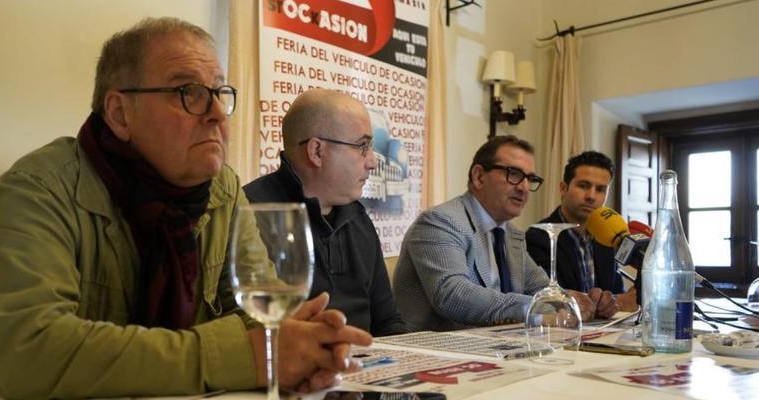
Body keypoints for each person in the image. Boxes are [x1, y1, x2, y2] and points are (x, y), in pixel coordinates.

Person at [0, 17, 371, 400]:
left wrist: (304, 347)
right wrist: (246, 356)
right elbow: (31, 352)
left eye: (220, 93)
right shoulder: (39, 186)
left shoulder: (223, 190)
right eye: (189, 93)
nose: (218, 113)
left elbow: (257, 315)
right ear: (120, 113)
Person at [394, 136, 617, 331]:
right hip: (437, 356)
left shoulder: (511, 235)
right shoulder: (440, 221)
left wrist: (580, 301)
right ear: (479, 176)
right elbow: (452, 295)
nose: (523, 187)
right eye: (513, 174)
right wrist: (537, 308)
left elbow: (541, 288)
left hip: (496, 352)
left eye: (530, 179)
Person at [244, 89, 406, 337]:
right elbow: (254, 330)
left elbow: (388, 320)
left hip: (368, 367)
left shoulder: (359, 217)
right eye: (362, 147)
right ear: (317, 151)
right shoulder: (251, 215)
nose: (372, 162)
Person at [526, 151, 633, 310]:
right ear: (563, 188)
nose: (591, 196)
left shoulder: (607, 237)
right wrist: (620, 302)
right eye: (583, 186)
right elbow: (552, 302)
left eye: (600, 189)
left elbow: (613, 292)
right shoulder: (539, 237)